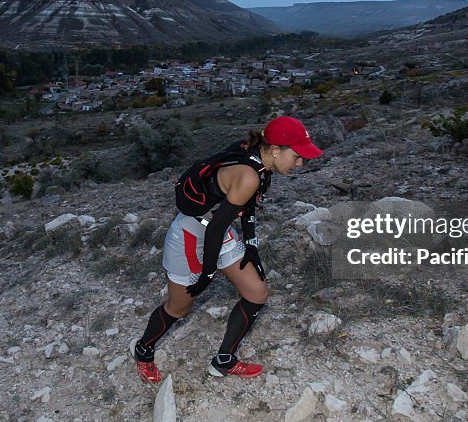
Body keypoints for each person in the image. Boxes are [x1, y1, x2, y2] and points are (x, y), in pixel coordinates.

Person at [131, 116, 324, 382]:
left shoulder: (260, 161)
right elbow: (215, 229)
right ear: (277, 150)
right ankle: (143, 350)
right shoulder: (248, 175)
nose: (301, 163)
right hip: (191, 235)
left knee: (257, 293)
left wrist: (251, 247)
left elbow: (246, 209)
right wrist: (207, 275)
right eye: (298, 156)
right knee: (179, 308)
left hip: (215, 232)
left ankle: (224, 360)